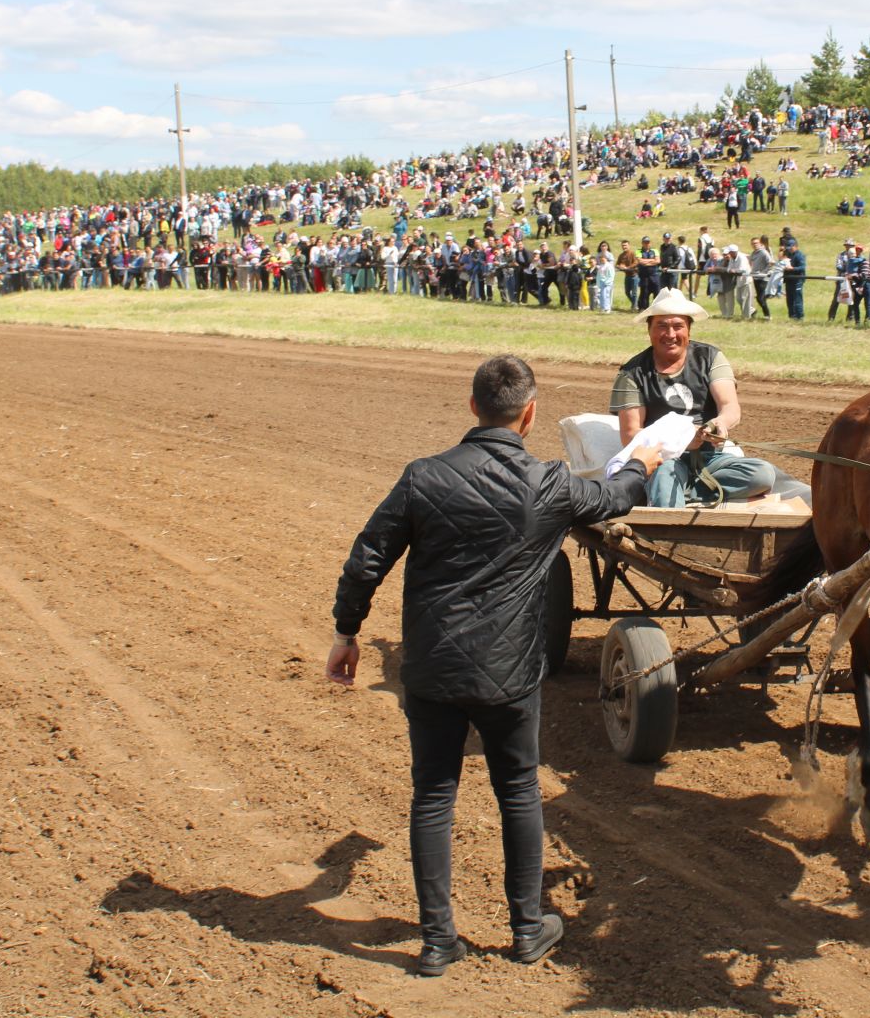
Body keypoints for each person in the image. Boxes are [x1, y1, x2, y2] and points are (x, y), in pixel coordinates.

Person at [329, 356, 661, 976]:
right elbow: (616, 497)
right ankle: (528, 930)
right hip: (510, 673)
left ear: (472, 405)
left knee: (432, 794)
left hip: (432, 668)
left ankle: (436, 943)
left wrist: (347, 632)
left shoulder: (421, 477)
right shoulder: (552, 483)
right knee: (517, 791)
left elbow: (367, 559)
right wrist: (644, 461)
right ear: (529, 414)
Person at [612, 289, 778, 507]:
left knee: (762, 474)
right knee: (665, 477)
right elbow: (631, 434)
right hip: (663, 459)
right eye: (662, 325)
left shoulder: (710, 357)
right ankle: (668, 498)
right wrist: (681, 442)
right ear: (649, 330)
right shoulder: (632, 373)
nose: (670, 334)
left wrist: (720, 424)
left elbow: (730, 407)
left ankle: (680, 492)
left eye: (678, 326)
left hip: (711, 458)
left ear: (688, 330)